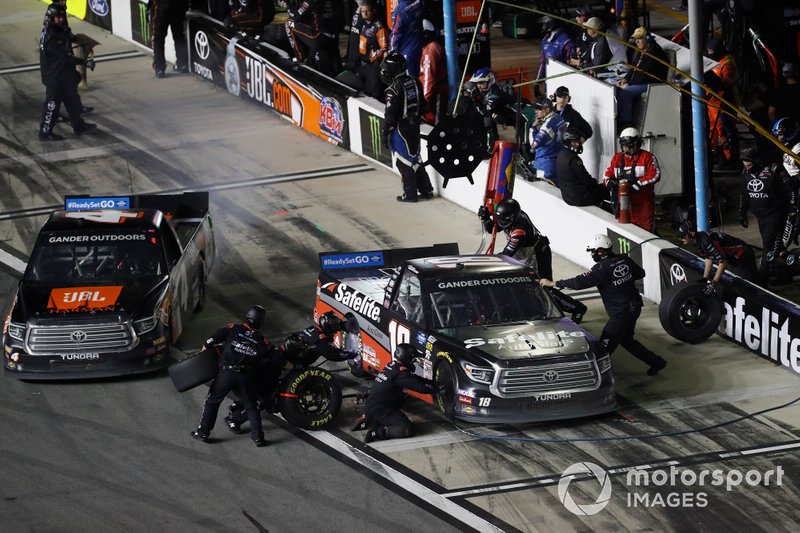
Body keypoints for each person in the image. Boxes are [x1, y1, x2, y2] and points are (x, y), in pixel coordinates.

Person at [540, 234, 667, 375]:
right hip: (634, 306)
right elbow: (640, 273)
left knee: (603, 347)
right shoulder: (624, 259)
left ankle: (595, 377)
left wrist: (553, 283)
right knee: (626, 340)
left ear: (601, 251)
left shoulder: (601, 269)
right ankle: (657, 362)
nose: (592, 254)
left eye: (593, 251)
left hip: (622, 312)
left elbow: (578, 282)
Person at [223, 311, 350, 432]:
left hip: (278, 358)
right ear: (328, 327)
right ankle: (234, 420)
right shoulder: (321, 339)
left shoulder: (313, 329)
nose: (336, 331)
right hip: (278, 362)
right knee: (266, 398)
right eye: (334, 328)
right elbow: (333, 355)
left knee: (257, 390)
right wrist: (350, 355)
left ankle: (236, 406)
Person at [191, 305, 276, 447]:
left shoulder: (232, 329)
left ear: (247, 317)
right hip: (246, 376)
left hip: (226, 373)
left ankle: (203, 433)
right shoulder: (263, 341)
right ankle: (258, 438)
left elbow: (208, 343)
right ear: (261, 322)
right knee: (251, 406)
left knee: (212, 401)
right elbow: (271, 357)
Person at [381, 51, 435, 203]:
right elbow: (424, 105)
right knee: (416, 158)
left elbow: (390, 117)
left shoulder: (393, 90)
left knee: (403, 162)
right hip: (415, 126)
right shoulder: (414, 81)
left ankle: (410, 195)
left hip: (401, 128)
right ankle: (427, 190)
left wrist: (384, 135)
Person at [38, 4, 97, 141]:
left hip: (63, 75)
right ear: (52, 18)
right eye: (58, 17)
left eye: (62, 16)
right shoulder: (53, 36)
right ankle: (45, 132)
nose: (62, 19)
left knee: (73, 101)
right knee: (52, 106)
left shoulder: (56, 29)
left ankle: (79, 127)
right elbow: (65, 57)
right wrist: (84, 62)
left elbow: (67, 39)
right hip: (55, 77)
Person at [738, 148, 797, 277]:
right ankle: (785, 272)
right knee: (778, 247)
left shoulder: (775, 169)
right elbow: (744, 193)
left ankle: (764, 276)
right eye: (745, 165)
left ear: (757, 161)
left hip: (776, 215)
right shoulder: (745, 173)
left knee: (769, 246)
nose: (747, 168)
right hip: (760, 216)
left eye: (750, 165)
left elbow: (791, 189)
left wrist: (793, 209)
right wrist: (742, 212)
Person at [363, 344, 435, 443]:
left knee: (404, 396)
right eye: (413, 359)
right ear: (406, 358)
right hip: (379, 409)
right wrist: (438, 389)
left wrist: (430, 382)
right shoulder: (401, 374)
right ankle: (376, 432)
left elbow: (414, 379)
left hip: (375, 405)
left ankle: (373, 420)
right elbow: (421, 388)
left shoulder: (393, 365)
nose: (414, 361)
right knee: (406, 429)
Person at [478, 198, 553, 279]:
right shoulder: (509, 215)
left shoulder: (520, 231)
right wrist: (486, 219)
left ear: (513, 217)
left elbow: (505, 256)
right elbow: (494, 229)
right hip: (524, 253)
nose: (501, 222)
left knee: (542, 285)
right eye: (499, 219)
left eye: (504, 220)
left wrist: (483, 265)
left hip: (538, 255)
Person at [603, 127, 661, 232]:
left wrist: (639, 184)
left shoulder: (647, 157)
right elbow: (607, 174)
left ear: (638, 144)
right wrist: (608, 182)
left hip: (643, 205)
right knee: (625, 231)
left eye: (630, 146)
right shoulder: (617, 159)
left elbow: (655, 174)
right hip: (622, 205)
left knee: (645, 232)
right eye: (624, 146)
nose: (627, 149)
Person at [677, 220, 761, 286]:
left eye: (683, 236)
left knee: (750, 284)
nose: (681, 238)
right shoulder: (697, 242)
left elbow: (723, 263)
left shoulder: (706, 242)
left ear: (691, 233)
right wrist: (705, 277)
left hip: (743, 255)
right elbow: (708, 258)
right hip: (734, 257)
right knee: (738, 281)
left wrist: (714, 282)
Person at [615, 27, 668, 126]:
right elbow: (634, 67)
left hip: (652, 84)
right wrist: (625, 78)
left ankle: (626, 123)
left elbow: (644, 74)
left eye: (639, 38)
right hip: (641, 81)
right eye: (635, 39)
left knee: (625, 92)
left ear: (647, 38)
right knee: (616, 88)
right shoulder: (643, 50)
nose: (637, 41)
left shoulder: (654, 53)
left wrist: (628, 85)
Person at [705, 38, 739, 168]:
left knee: (725, 130)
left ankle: (730, 158)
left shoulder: (727, 63)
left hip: (723, 103)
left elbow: (725, 85)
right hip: (711, 102)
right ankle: (714, 154)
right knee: (712, 130)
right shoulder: (712, 59)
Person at [556, 127, 607, 207]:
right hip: (579, 198)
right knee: (604, 189)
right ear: (568, 142)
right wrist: (596, 183)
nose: (577, 144)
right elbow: (586, 180)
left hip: (567, 197)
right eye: (574, 142)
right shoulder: (573, 159)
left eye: (577, 141)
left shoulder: (560, 155)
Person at [469, 67, 516, 152]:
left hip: (512, 115)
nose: (479, 86)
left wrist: (475, 101)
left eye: (481, 83)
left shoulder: (494, 95)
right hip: (498, 112)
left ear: (490, 81)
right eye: (477, 83)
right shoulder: (485, 90)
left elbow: (485, 112)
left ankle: (490, 148)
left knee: (488, 121)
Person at [528, 96, 566, 185]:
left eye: (539, 109)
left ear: (547, 109)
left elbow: (534, 144)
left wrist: (533, 128)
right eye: (535, 109)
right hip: (558, 162)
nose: (536, 112)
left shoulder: (547, 126)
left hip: (545, 166)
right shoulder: (559, 118)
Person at [355, 0, 388, 99]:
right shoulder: (362, 23)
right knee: (365, 90)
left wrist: (383, 64)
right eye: (363, 11)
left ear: (373, 11)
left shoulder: (378, 26)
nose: (364, 13)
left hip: (374, 64)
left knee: (375, 92)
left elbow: (384, 48)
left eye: (367, 11)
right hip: (363, 63)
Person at [149, 0, 189, 77]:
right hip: (178, 6)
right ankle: (182, 64)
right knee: (179, 35)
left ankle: (159, 68)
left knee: (158, 38)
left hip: (162, 7)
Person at [419, 19, 447, 125]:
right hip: (431, 94)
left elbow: (429, 77)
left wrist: (424, 99)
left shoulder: (431, 49)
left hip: (434, 95)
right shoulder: (426, 47)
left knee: (436, 124)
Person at [536, 15, 574, 92]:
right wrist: (538, 81)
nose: (542, 27)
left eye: (544, 24)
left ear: (550, 24)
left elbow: (572, 61)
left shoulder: (566, 40)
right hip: (549, 81)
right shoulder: (545, 39)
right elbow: (542, 61)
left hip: (563, 82)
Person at [390, 0, 424, 77]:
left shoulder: (399, 11)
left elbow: (395, 34)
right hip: (418, 46)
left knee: (410, 80)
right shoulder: (419, 2)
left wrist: (392, 53)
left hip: (406, 51)